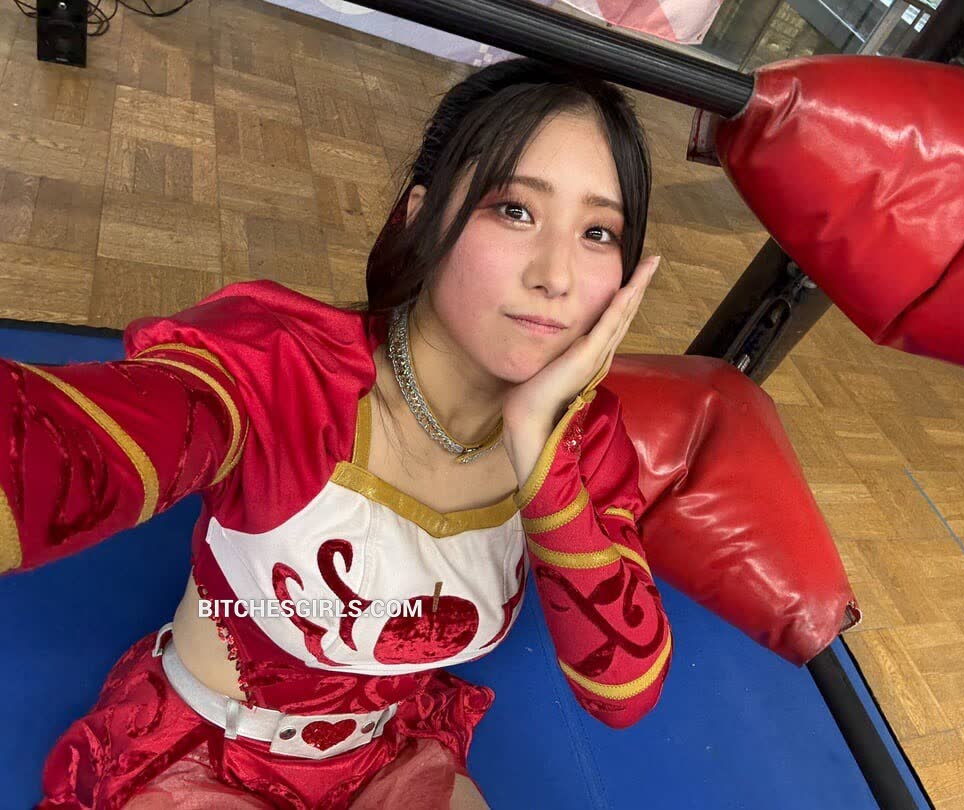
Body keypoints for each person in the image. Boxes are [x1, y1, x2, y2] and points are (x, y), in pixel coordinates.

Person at [0, 57, 672, 808]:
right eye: (514, 210)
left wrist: (540, 456)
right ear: (421, 215)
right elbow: (59, 448)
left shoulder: (585, 439)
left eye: (598, 231)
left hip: (386, 754)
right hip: (205, 755)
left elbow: (624, 693)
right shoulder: (282, 369)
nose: (557, 275)